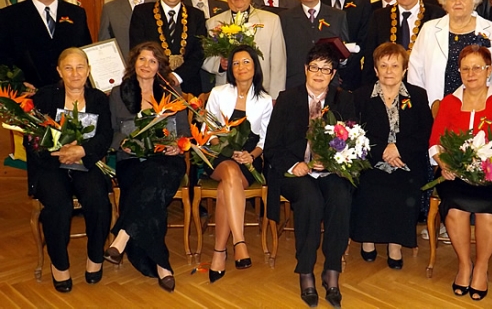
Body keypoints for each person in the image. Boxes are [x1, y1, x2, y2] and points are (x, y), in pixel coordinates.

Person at [264, 44, 355, 308]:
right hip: (295, 172)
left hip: (331, 170)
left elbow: (352, 143)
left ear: (333, 74)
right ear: (305, 69)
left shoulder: (343, 100)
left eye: (326, 69)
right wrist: (295, 165)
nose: (319, 73)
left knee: (341, 196)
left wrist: (333, 161)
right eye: (314, 67)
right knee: (310, 200)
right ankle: (305, 271)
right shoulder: (287, 99)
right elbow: (272, 147)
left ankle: (332, 270)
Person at [429, 45, 492, 300]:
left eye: (477, 68)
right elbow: (435, 142)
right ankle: (464, 265)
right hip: (455, 172)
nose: (471, 74)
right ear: (459, 71)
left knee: (488, 210)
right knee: (455, 208)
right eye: (465, 69)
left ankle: (481, 267)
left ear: (488, 70)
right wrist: (444, 163)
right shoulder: (450, 102)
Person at [104, 41, 190, 292]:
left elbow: (184, 133)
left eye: (153, 61)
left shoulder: (172, 92)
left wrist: (178, 146)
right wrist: (123, 143)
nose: (146, 65)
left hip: (167, 159)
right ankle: (162, 266)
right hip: (131, 160)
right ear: (134, 62)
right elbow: (110, 132)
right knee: (152, 192)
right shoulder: (119, 93)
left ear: (159, 67)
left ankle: (122, 237)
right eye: (142, 59)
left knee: (155, 174)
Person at [25, 48, 112, 292]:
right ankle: (59, 264)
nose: (75, 73)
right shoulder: (44, 97)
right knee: (58, 204)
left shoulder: (98, 99)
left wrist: (82, 150)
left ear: (88, 70)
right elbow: (31, 137)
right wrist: (58, 152)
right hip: (51, 165)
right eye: (68, 68)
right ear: (59, 71)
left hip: (86, 161)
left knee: (97, 199)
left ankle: (95, 257)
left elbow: (105, 135)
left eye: (80, 67)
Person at [351, 43, 432, 269]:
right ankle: (367, 239)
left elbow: (425, 132)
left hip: (407, 160)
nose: (389, 71)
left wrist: (399, 149)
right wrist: (382, 151)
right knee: (368, 185)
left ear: (404, 70)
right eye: (383, 65)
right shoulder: (361, 96)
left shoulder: (417, 95)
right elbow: (355, 132)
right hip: (370, 159)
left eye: (395, 66)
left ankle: (395, 244)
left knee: (404, 187)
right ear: (375, 70)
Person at [205, 45, 273, 283]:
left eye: (246, 62)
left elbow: (264, 139)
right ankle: (239, 241)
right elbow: (207, 129)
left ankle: (219, 252)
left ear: (255, 67)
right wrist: (222, 147)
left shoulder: (265, 100)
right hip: (218, 155)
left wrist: (251, 155)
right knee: (229, 171)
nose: (241, 67)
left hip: (247, 160)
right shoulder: (218, 93)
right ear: (230, 69)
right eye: (235, 63)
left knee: (227, 185)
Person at [408, 0, 492, 108]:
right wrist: (420, 106)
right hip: (436, 106)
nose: (457, 2)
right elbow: (415, 73)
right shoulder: (429, 29)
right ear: (444, 2)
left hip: (481, 107)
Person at [0, 0, 91, 89]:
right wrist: (17, 85)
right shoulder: (8, 16)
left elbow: (86, 50)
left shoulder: (76, 13)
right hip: (30, 92)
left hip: (70, 90)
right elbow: (3, 56)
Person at [202, 0, 287, 99]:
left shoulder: (271, 20)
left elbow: (278, 63)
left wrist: (275, 96)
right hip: (226, 93)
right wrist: (219, 64)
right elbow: (205, 58)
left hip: (262, 92)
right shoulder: (213, 23)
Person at [362, 0, 445, 86]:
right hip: (387, 86)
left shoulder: (436, 15)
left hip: (425, 85)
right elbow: (370, 58)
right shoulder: (379, 16)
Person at [129, 0, 205, 95]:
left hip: (188, 87)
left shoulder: (196, 16)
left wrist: (177, 76)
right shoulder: (142, 13)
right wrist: (163, 78)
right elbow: (137, 49)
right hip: (151, 85)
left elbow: (199, 53)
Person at [280, 0, 350, 90]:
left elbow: (344, 49)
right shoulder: (285, 18)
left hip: (329, 83)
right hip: (296, 83)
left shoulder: (337, 16)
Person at [320, 0, 372, 91]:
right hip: (320, 70)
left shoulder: (363, 3)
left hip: (351, 73)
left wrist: (346, 62)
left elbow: (364, 38)